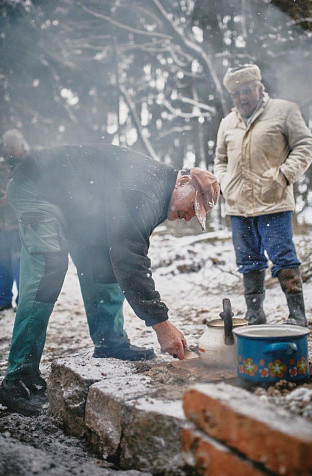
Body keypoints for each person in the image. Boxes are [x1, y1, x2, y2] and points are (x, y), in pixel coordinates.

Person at [0, 144, 220, 415]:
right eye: (192, 207)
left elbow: (123, 252)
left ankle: (109, 341)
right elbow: (130, 260)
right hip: (37, 186)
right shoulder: (145, 189)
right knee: (49, 266)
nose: (188, 217)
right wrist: (161, 325)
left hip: (74, 205)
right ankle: (18, 378)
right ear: (183, 182)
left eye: (195, 215)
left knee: (101, 261)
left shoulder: (157, 192)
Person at [214, 64, 312, 328]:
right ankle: (254, 315)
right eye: (236, 94)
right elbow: (220, 160)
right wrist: (225, 182)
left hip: (274, 202)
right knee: (247, 261)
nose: (242, 98)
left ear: (259, 88)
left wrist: (284, 175)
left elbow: (305, 145)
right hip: (238, 207)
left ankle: (297, 314)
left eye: (246, 91)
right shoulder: (227, 122)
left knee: (283, 257)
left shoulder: (284, 111)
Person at [0, 130, 26, 311]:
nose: (8, 149)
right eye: (6, 146)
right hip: (2, 225)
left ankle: (22, 301)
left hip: (20, 224)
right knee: (3, 264)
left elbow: (31, 192)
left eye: (12, 146)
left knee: (19, 264)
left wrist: (10, 198)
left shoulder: (28, 165)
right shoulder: (2, 167)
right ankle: (4, 300)